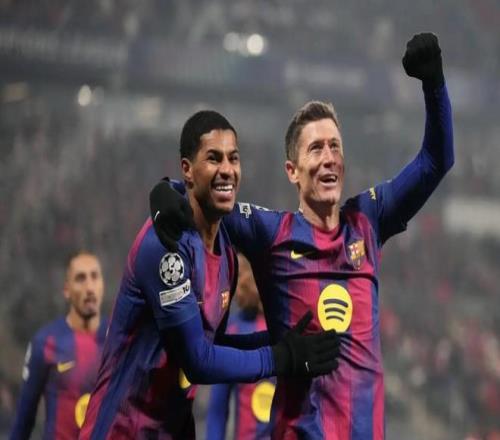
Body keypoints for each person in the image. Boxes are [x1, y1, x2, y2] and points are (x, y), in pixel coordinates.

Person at [149, 33, 454, 439]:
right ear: (292, 171)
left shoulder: (368, 219)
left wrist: (434, 84)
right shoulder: (270, 232)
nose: (329, 158)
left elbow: (436, 160)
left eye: (335, 147)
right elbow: (204, 197)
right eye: (316, 149)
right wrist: (167, 190)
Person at [80, 111, 340, 439]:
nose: (227, 169)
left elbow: (209, 343)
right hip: (121, 431)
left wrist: (277, 338)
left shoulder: (227, 252)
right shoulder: (167, 246)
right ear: (187, 169)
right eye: (214, 158)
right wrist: (281, 357)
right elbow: (198, 362)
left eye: (233, 158)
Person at [10, 251, 108, 440]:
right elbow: (23, 422)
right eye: (80, 278)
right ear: (66, 290)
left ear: (102, 284)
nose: (89, 287)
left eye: (95, 276)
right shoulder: (46, 343)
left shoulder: (118, 340)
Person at [206, 254, 275, 440]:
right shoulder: (233, 331)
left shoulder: (287, 325)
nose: (235, 284)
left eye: (240, 273)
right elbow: (217, 410)